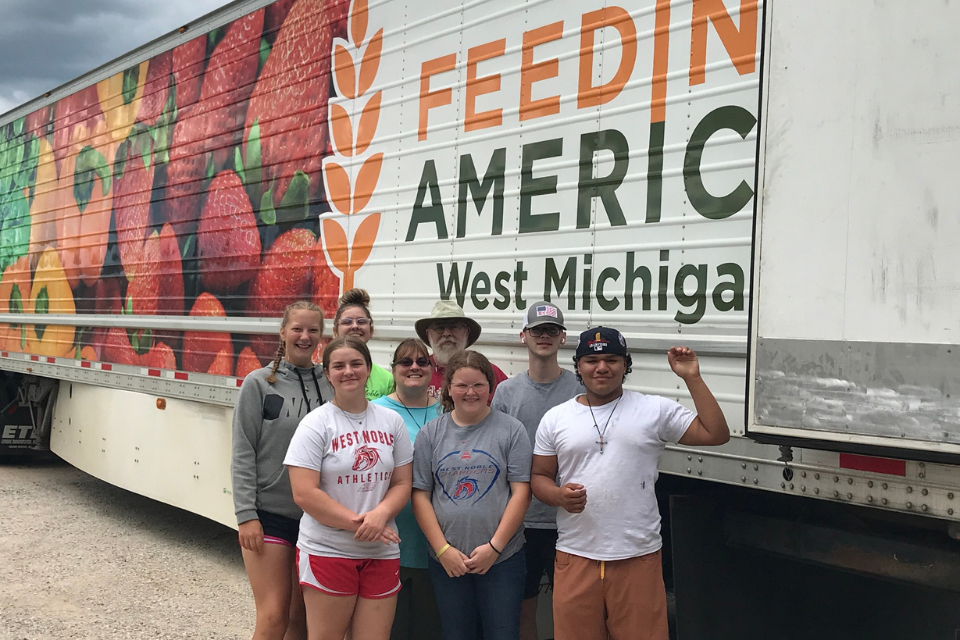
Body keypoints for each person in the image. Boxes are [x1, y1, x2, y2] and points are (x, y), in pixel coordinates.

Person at [531, 327, 730, 640]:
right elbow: (539, 477)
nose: (602, 367)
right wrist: (557, 496)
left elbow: (716, 434)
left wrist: (692, 377)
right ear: (578, 366)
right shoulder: (556, 418)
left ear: (625, 364)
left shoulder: (653, 409)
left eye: (612, 359)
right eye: (591, 360)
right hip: (576, 555)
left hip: (638, 556)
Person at [285, 336, 414, 640]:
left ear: (369, 369)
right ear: (327, 374)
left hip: (381, 552)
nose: (348, 371)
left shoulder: (391, 421)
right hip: (328, 550)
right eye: (338, 366)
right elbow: (304, 493)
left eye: (356, 364)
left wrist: (380, 514)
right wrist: (362, 523)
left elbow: (402, 482)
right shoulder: (316, 424)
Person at [411, 350, 532, 640]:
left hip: (503, 558)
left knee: (503, 633)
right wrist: (443, 550)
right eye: (462, 385)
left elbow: (521, 492)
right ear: (448, 388)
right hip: (447, 561)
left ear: (490, 388)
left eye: (478, 385)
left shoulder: (511, 430)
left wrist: (495, 547)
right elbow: (420, 496)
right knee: (456, 634)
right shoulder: (430, 434)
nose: (470, 392)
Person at [232, 300, 332, 640]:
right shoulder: (258, 384)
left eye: (313, 330)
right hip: (270, 514)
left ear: (322, 336)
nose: (305, 336)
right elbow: (243, 450)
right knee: (274, 615)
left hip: (317, 517)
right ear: (283, 332)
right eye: (297, 329)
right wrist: (246, 514)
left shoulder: (332, 384)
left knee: (300, 618)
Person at [489, 301, 583, 640]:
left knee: (570, 608)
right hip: (519, 521)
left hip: (568, 521)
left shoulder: (580, 390)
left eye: (552, 331)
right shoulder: (506, 392)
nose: (544, 336)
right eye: (537, 330)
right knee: (523, 607)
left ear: (562, 338)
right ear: (523, 336)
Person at [372, 338, 444, 640]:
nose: (414, 367)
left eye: (421, 362)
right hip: (387, 542)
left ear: (431, 369)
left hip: (437, 545)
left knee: (429, 629)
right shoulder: (375, 412)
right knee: (391, 630)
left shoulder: (448, 412)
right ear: (394, 370)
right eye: (405, 362)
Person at [414, 300, 507, 401]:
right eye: (439, 328)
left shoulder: (490, 372)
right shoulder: (416, 371)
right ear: (428, 334)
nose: (446, 334)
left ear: (466, 333)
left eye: (453, 327)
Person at [332, 288, 394, 400]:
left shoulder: (387, 379)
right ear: (335, 331)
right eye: (347, 322)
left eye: (361, 321)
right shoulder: (320, 372)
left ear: (371, 331)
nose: (355, 326)